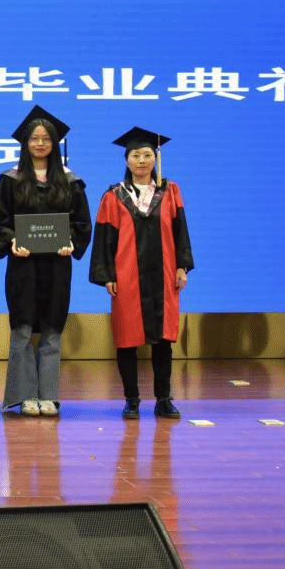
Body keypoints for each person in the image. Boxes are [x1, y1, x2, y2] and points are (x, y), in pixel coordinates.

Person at [0, 105, 92, 418]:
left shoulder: (71, 182)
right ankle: (25, 396)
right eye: (34, 138)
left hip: (57, 266)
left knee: (52, 328)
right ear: (25, 142)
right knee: (22, 328)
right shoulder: (10, 180)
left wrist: (72, 242)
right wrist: (12, 241)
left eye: (46, 138)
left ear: (55, 143)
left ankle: (49, 395)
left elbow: (82, 223)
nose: (40, 143)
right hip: (23, 266)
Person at [89, 126, 195, 420]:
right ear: (126, 160)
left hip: (164, 273)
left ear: (155, 158)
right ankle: (131, 400)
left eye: (147, 155)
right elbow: (105, 239)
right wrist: (107, 274)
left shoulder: (170, 191)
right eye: (136, 155)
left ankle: (164, 399)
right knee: (126, 338)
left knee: (164, 340)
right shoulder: (114, 195)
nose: (142, 161)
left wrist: (182, 265)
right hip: (127, 275)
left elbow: (180, 230)